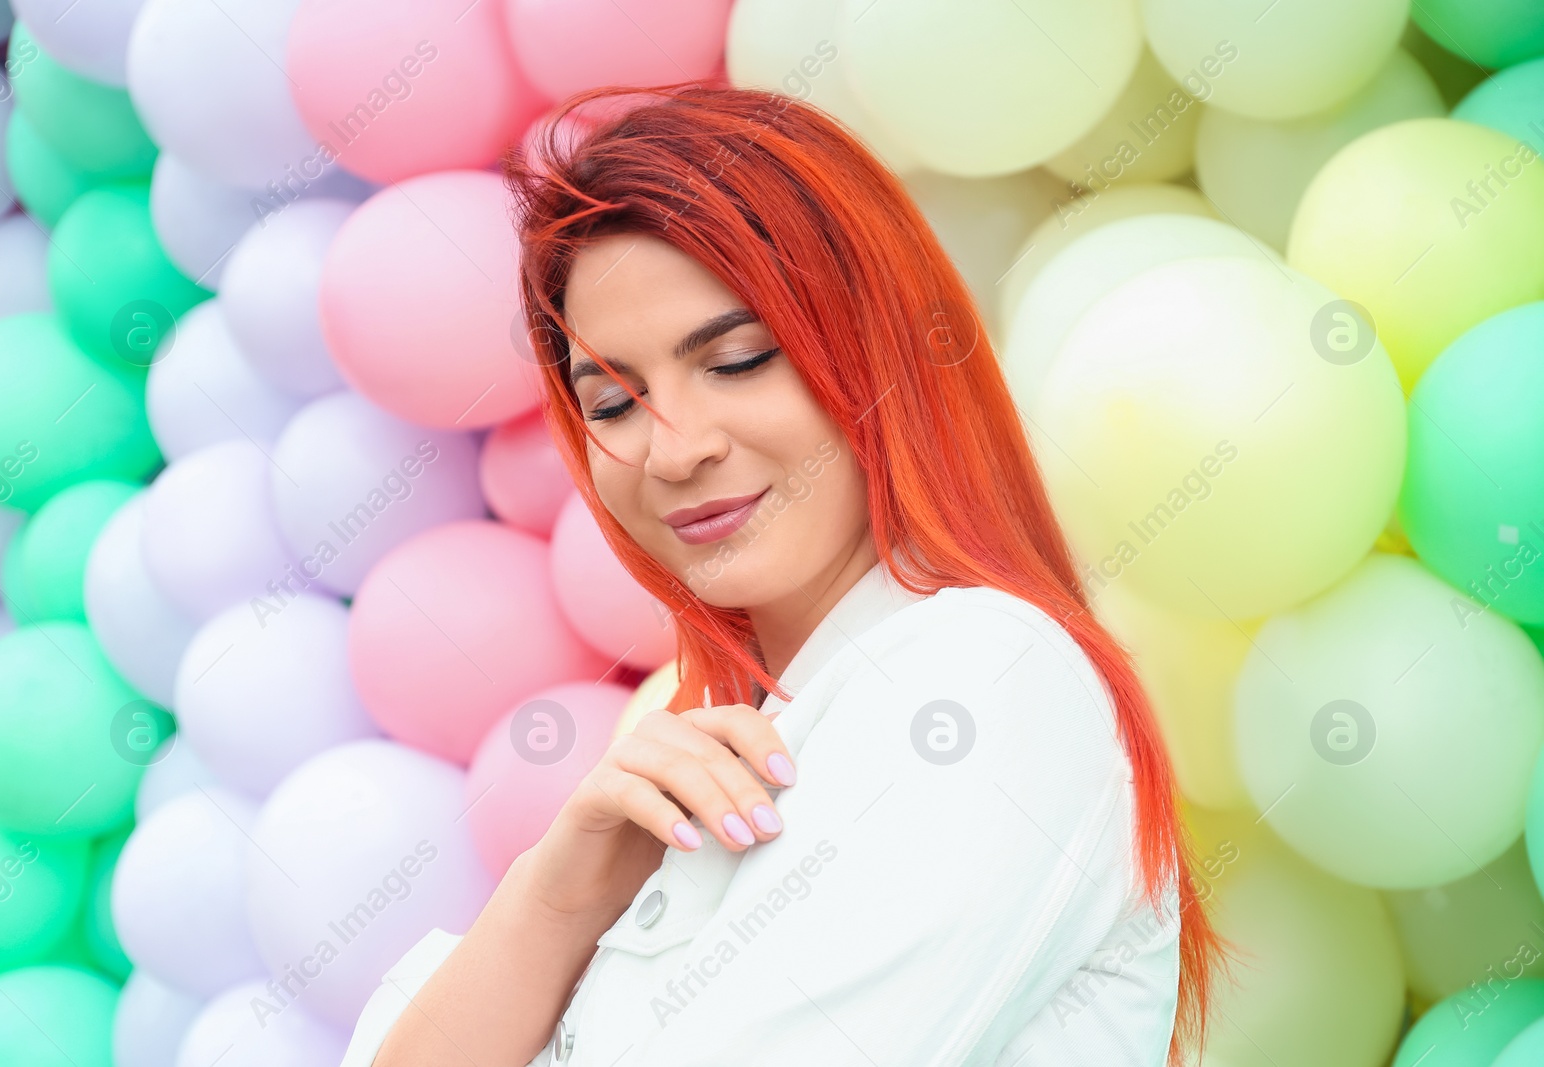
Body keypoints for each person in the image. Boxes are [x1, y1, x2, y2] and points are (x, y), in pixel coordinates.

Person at [342, 81, 1230, 1067]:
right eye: (612, 401)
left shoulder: (980, 679)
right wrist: (555, 897)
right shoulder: (736, 743)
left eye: (738, 359)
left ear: (877, 344)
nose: (672, 450)